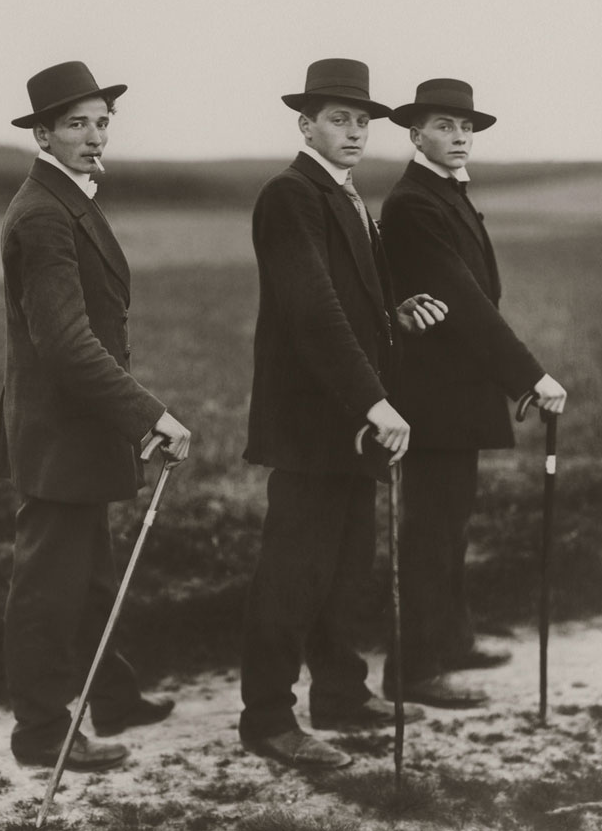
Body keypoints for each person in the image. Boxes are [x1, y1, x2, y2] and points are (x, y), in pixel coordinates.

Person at [239, 58, 447, 769]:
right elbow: (313, 310)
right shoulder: (289, 195)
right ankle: (267, 717)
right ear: (306, 124)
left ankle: (339, 692)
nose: (354, 130)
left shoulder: (346, 195)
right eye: (338, 118)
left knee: (347, 565)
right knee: (293, 572)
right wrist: (373, 399)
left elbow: (350, 300)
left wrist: (394, 312)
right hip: (310, 423)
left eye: (361, 120)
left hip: (350, 421)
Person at [0, 61, 191, 770]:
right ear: (42, 132)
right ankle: (40, 734)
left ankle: (111, 697)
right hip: (59, 432)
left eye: (102, 121)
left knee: (93, 571)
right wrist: (149, 416)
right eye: (77, 123)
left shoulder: (66, 196)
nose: (94, 135)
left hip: (76, 429)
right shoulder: (44, 212)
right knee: (48, 587)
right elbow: (67, 342)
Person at [378, 78, 567, 708]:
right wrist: (530, 377)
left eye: (466, 128)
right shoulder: (413, 204)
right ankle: (413, 669)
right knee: (430, 530)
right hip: (432, 396)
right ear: (415, 134)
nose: (458, 137)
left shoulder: (443, 193)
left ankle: (451, 640)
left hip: (457, 392)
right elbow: (463, 302)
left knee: (450, 524)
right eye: (444, 126)